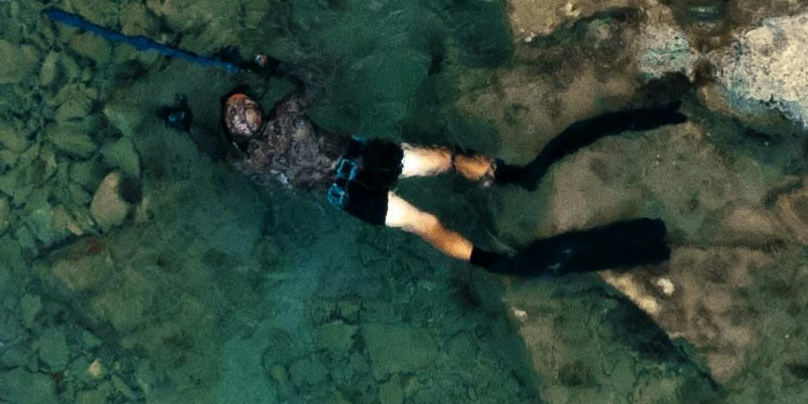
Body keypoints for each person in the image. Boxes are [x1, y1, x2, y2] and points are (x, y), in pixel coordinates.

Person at [187, 84, 682, 276]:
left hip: (350, 187)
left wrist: (187, 125)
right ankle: (507, 180)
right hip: (362, 166)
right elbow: (317, 76)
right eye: (238, 105)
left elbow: (216, 149)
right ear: (249, 116)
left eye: (237, 105)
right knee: (441, 171)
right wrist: (268, 67)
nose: (240, 108)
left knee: (428, 206)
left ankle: (490, 252)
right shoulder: (286, 115)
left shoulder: (248, 162)